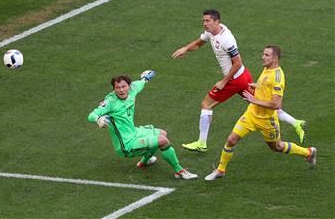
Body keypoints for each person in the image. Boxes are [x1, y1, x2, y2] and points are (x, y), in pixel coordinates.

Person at [171, 9, 305, 153]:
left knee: (206, 104)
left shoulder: (226, 39)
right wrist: (185, 49)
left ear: (217, 21)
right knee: (262, 102)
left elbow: (237, 63)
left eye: (207, 21)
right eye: (203, 21)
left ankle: (201, 143)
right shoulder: (211, 32)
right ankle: (295, 122)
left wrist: (224, 81)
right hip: (243, 76)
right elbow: (198, 43)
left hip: (234, 78)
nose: (205, 23)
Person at [204, 45, 317, 180]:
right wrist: (256, 86)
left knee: (277, 147)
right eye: (263, 54)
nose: (263, 57)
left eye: (266, 55)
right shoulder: (267, 68)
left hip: (267, 120)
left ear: (275, 58)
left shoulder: (277, 78)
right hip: (251, 114)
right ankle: (220, 170)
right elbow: (265, 85)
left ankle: (308, 152)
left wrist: (254, 99)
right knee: (231, 140)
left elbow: (276, 104)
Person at [87, 71, 198, 180]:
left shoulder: (133, 89)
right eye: (117, 87)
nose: (121, 90)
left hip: (134, 132)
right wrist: (98, 119)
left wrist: (145, 78)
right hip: (126, 144)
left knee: (163, 133)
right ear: (114, 89)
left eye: (123, 86)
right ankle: (179, 171)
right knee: (162, 141)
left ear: (129, 86)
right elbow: (91, 115)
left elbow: (140, 83)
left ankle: (144, 162)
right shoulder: (110, 102)